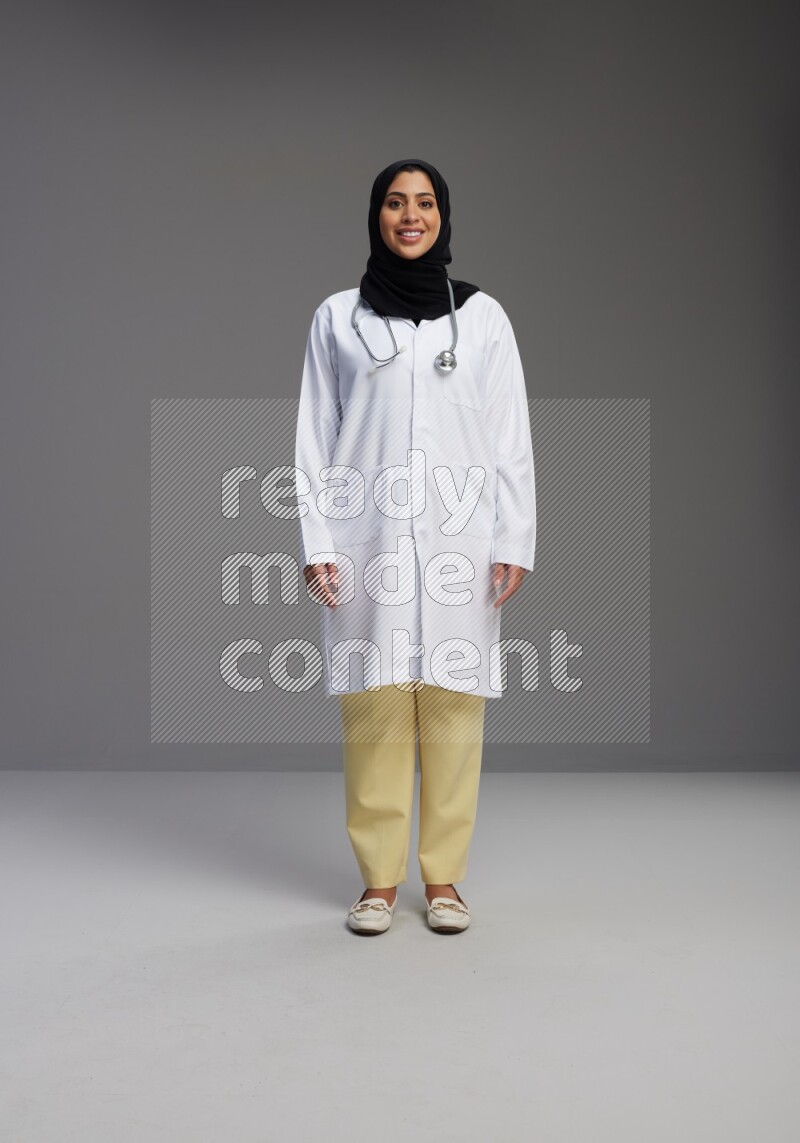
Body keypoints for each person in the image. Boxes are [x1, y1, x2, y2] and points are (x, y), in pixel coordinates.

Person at [294, 158, 536, 935]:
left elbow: (510, 438)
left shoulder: (483, 320)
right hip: (366, 540)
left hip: (461, 542)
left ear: (443, 216)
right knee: (373, 710)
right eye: (395, 203)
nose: (410, 215)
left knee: (455, 712)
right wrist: (316, 540)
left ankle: (444, 881)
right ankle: (376, 881)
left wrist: (514, 536)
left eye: (424, 203)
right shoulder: (338, 318)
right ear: (376, 216)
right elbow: (311, 436)